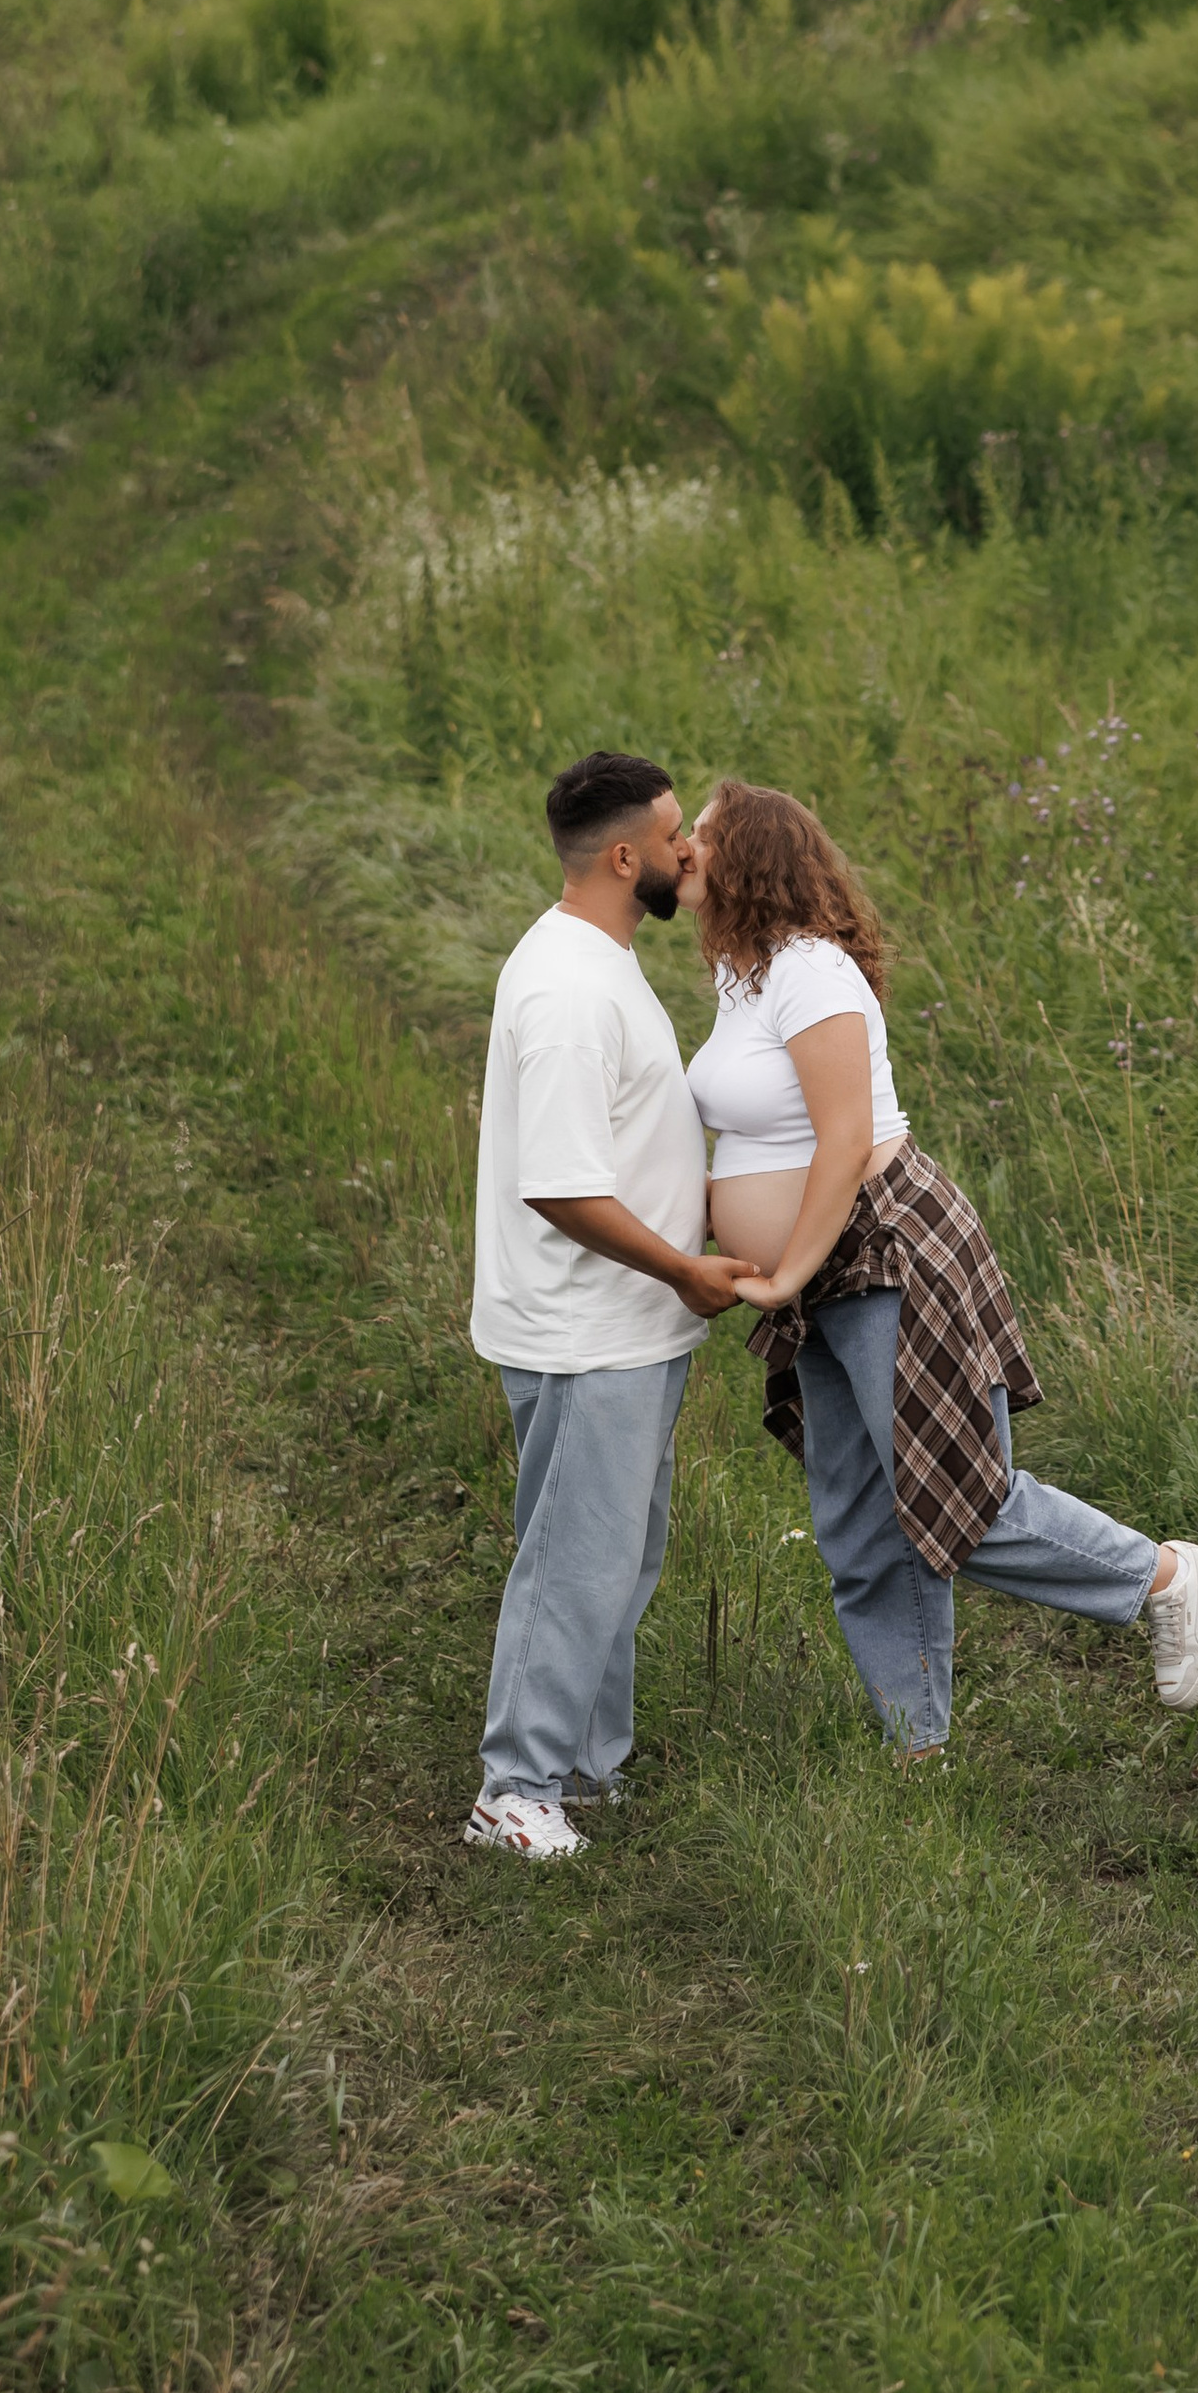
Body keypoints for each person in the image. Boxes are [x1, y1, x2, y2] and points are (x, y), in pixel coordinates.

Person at [685, 776, 1198, 1754]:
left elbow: (846, 1139)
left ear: (750, 857)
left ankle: (1166, 1576)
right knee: (858, 1520)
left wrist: (783, 1273)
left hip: (884, 1249)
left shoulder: (811, 971)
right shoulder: (746, 976)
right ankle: (917, 1744)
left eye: (703, 833)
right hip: (825, 1268)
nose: (686, 846)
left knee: (958, 1498)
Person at [466, 749, 754, 1863]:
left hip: (626, 1328)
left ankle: (582, 1766)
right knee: (574, 1564)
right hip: (586, 1330)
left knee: (618, 1558)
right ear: (626, 857)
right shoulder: (569, 993)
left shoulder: (601, 962)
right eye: (677, 834)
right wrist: (683, 1268)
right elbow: (562, 1186)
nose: (692, 849)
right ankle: (514, 1788)